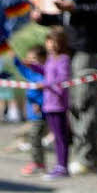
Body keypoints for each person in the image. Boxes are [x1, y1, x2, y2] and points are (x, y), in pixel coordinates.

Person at [34, 0, 97, 176]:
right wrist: (45, 18)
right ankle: (80, 156)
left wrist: (76, 9)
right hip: (70, 46)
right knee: (72, 103)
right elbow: (66, 18)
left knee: (85, 100)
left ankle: (88, 159)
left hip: (87, 46)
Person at [35, 27, 71, 180]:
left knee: (61, 136)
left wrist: (46, 84)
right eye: (49, 41)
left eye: (54, 41)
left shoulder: (63, 59)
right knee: (56, 136)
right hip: (48, 102)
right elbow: (47, 72)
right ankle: (59, 165)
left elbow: (62, 78)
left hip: (58, 103)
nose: (51, 44)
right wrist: (33, 66)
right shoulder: (50, 59)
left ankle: (62, 166)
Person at [14, 45, 49, 176]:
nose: (30, 62)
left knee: (35, 138)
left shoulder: (43, 75)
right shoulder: (31, 73)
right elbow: (21, 68)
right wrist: (15, 58)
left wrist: (39, 104)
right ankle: (38, 163)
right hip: (32, 115)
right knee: (34, 139)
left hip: (40, 114)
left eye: (33, 59)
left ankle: (38, 163)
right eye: (28, 59)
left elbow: (46, 94)